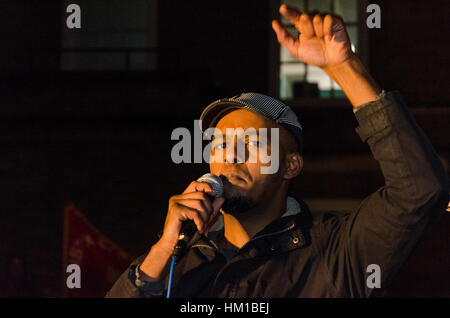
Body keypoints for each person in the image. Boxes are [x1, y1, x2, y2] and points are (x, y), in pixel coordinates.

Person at [106, 5, 448, 297]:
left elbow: (419, 191)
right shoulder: (181, 264)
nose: (231, 155)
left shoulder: (332, 253)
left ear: (290, 165)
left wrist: (344, 67)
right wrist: (162, 252)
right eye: (221, 144)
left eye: (251, 143)